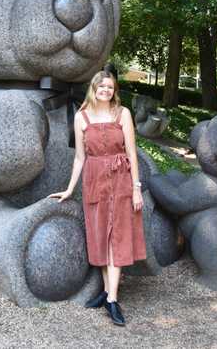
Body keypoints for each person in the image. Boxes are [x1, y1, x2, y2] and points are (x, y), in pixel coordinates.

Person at [48, 70, 146, 326]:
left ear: (114, 91)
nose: (106, 90)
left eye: (110, 87)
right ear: (94, 88)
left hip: (121, 180)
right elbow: (80, 157)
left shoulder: (122, 114)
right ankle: (106, 293)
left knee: (117, 238)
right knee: (102, 236)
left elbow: (132, 154)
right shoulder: (81, 117)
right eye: (102, 86)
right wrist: (70, 189)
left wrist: (136, 187)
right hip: (94, 180)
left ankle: (112, 299)